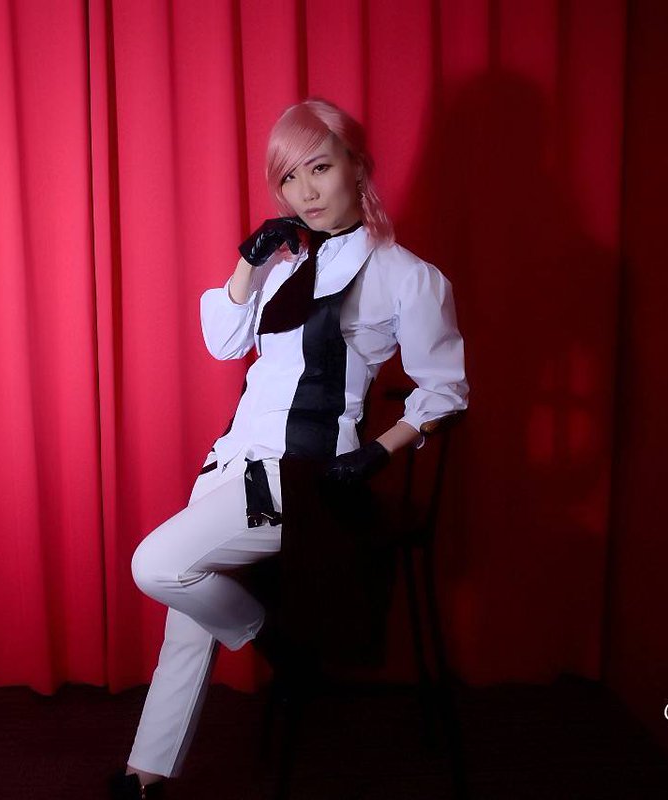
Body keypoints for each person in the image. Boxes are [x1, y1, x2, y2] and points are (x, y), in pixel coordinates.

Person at [109, 97, 469, 799]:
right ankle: (144, 775)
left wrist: (381, 451)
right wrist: (249, 262)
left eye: (319, 168)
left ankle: (267, 633)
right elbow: (223, 343)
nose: (304, 191)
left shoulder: (406, 275)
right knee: (186, 617)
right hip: (232, 463)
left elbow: (445, 388)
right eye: (287, 178)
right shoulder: (282, 269)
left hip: (301, 477)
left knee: (157, 564)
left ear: (357, 166)